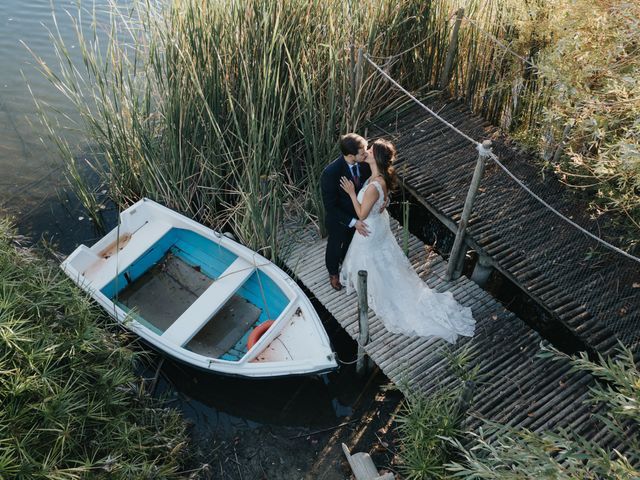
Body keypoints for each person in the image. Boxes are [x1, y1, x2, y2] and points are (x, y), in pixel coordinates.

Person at [339, 139, 475, 343]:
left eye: (370, 149)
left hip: (369, 229)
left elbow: (361, 214)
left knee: (373, 262)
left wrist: (351, 193)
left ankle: (380, 293)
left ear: (376, 158)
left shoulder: (374, 186)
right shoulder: (380, 178)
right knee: (383, 262)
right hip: (378, 227)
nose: (366, 151)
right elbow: (381, 199)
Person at [321, 133, 372, 291]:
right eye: (362, 151)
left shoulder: (364, 163)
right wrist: (353, 221)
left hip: (361, 214)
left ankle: (348, 266)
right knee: (335, 247)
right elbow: (330, 206)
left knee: (351, 245)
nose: (366, 153)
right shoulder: (331, 173)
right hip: (339, 219)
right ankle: (333, 273)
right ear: (351, 155)